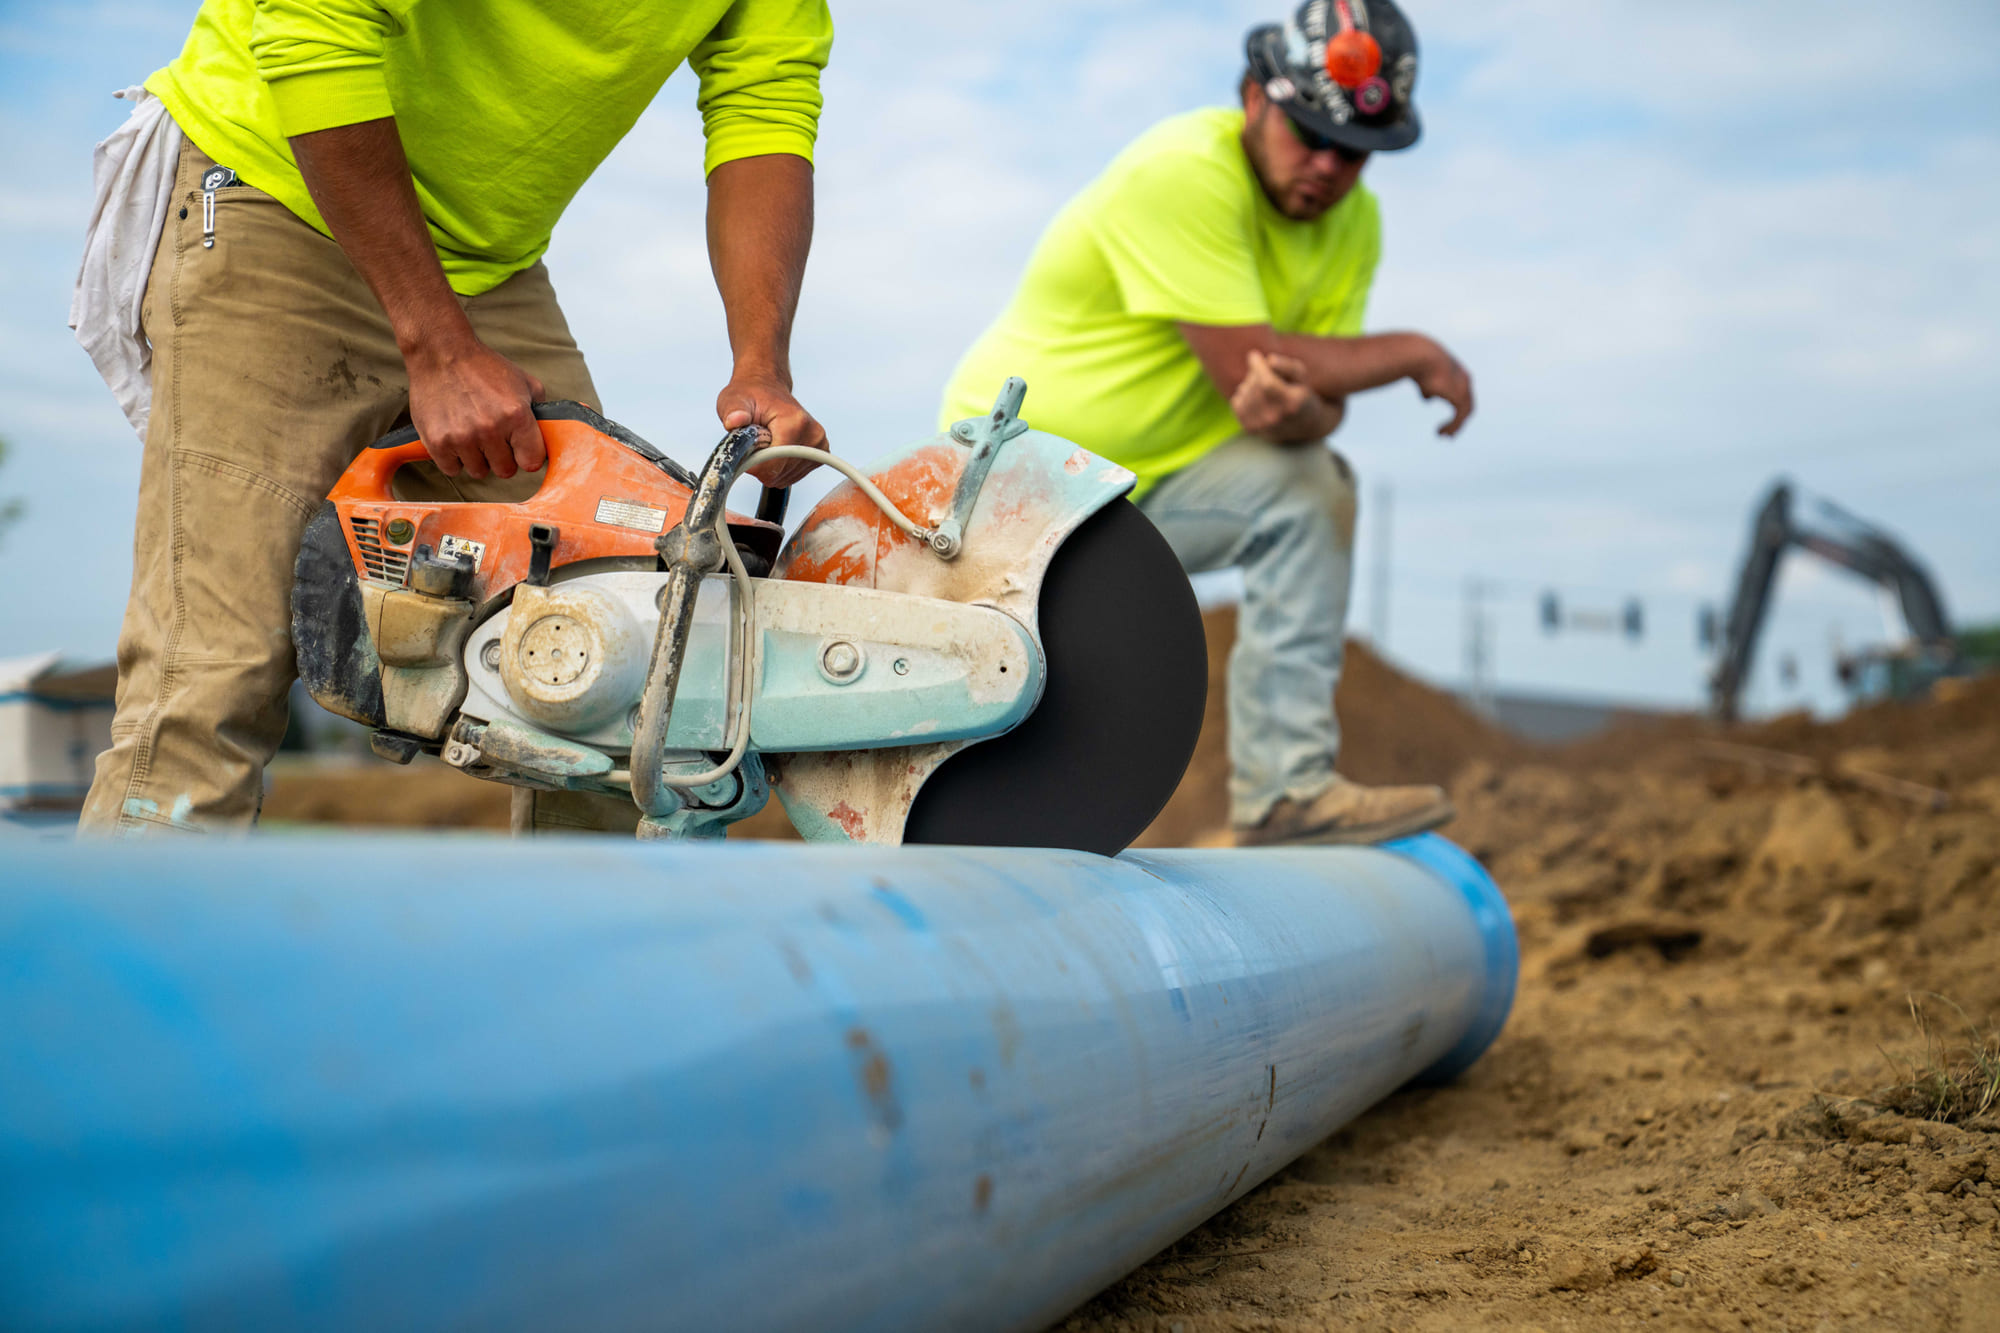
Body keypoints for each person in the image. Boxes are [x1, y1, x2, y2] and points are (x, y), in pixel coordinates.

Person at [74, 0, 833, 835]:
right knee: (215, 674)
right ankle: (125, 956)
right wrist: (437, 349)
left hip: (489, 262)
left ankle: (603, 957)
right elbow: (313, 28)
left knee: (617, 664)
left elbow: (762, 104)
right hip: (279, 190)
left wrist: (761, 364)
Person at [939, 0, 1474, 848]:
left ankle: (1286, 796)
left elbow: (1307, 404)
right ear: (1256, 97)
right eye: (1310, 132)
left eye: (1357, 152)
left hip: (1142, 497)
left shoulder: (1352, 225)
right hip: (1012, 486)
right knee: (1039, 685)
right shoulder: (1185, 170)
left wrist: (1303, 411)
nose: (1332, 166)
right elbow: (1252, 361)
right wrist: (1410, 352)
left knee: (1313, 487)